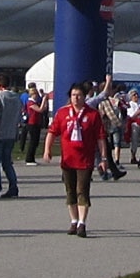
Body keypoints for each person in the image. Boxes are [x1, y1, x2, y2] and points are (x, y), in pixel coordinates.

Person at [53, 81, 101, 235]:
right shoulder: (62, 113)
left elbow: (100, 137)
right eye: (73, 95)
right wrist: (47, 149)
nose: (76, 98)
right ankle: (73, 220)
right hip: (68, 159)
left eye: (79, 95)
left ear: (84, 96)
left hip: (85, 159)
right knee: (70, 191)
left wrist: (104, 158)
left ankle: (82, 223)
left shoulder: (92, 114)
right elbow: (52, 132)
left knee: (82, 190)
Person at [0, 72, 24, 198]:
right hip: (11, 133)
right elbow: (19, 116)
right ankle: (13, 186)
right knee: (7, 162)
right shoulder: (16, 97)